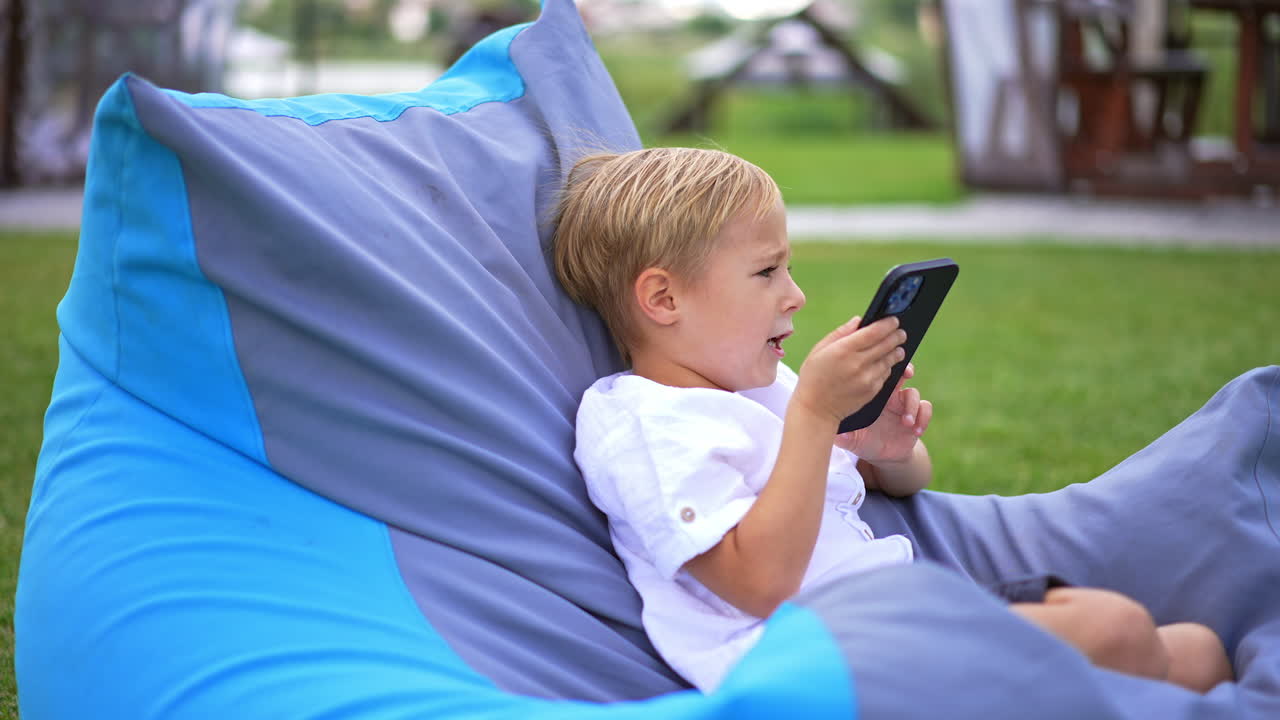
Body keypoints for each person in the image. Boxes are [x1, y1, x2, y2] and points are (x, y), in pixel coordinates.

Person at [551, 147, 1233, 694]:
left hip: (900, 613)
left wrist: (885, 448)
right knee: (1114, 633)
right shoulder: (644, 422)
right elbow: (757, 584)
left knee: (1194, 650)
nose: (796, 295)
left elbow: (904, 485)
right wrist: (816, 416)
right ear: (663, 298)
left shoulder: (761, 386)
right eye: (766, 272)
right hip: (816, 661)